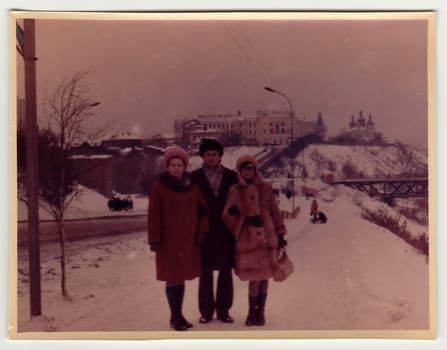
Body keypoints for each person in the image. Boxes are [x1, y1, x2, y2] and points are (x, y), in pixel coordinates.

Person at [147, 146, 208, 331]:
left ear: (184, 166)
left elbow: (203, 211)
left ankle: (178, 315)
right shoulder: (160, 187)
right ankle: (175, 317)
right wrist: (154, 239)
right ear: (167, 166)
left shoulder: (192, 187)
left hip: (187, 241)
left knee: (180, 278)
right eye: (172, 165)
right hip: (168, 242)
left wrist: (201, 232)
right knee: (172, 278)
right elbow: (153, 215)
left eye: (179, 165)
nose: (175, 168)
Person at [222, 154, 287, 327]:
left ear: (255, 169)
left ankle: (261, 312)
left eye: (250, 168)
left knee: (265, 276)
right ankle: (251, 313)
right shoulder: (235, 190)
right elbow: (226, 215)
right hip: (248, 240)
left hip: (268, 236)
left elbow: (274, 211)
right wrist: (243, 220)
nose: (248, 171)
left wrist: (280, 234)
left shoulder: (265, 187)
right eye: (244, 168)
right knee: (254, 277)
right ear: (240, 171)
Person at [190, 138, 238, 324]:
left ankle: (224, 311)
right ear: (203, 156)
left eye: (214, 154)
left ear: (220, 156)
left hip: (226, 231)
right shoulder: (194, 178)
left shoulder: (231, 176)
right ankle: (206, 311)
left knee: (225, 271)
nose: (211, 157)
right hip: (204, 230)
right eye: (208, 154)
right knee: (205, 271)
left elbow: (240, 199)